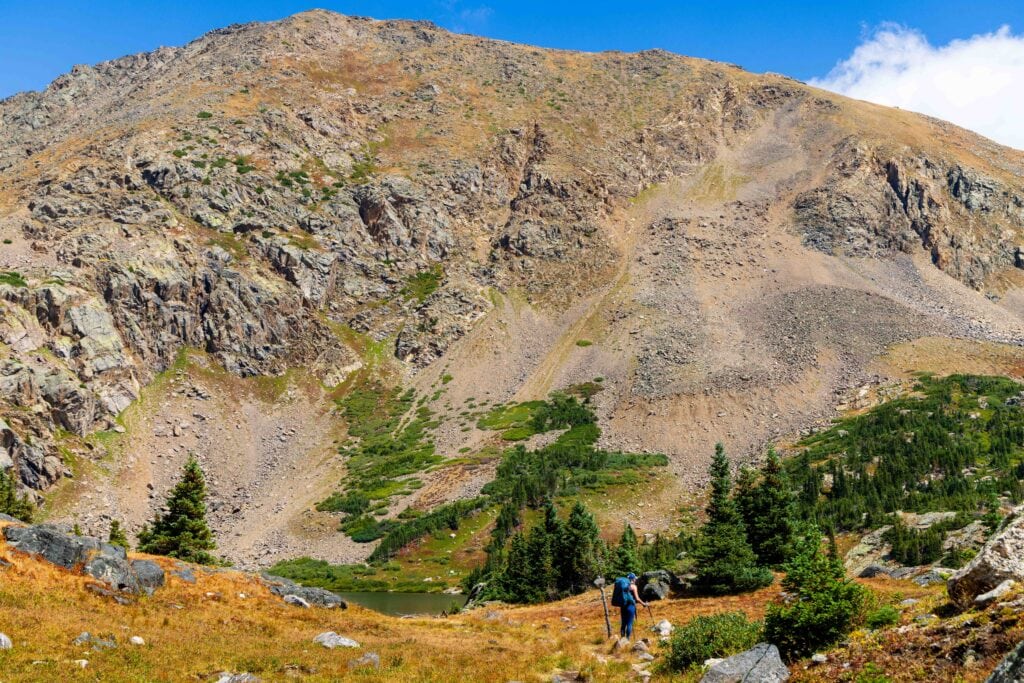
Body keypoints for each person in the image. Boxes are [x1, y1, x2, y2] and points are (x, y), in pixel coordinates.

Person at [618, 572, 647, 639]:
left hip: (623, 606)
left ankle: (622, 639)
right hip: (630, 606)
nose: (635, 580)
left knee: (623, 623)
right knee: (629, 623)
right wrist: (644, 604)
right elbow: (637, 599)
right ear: (633, 579)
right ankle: (627, 640)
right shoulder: (633, 586)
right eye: (635, 579)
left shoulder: (623, 586)